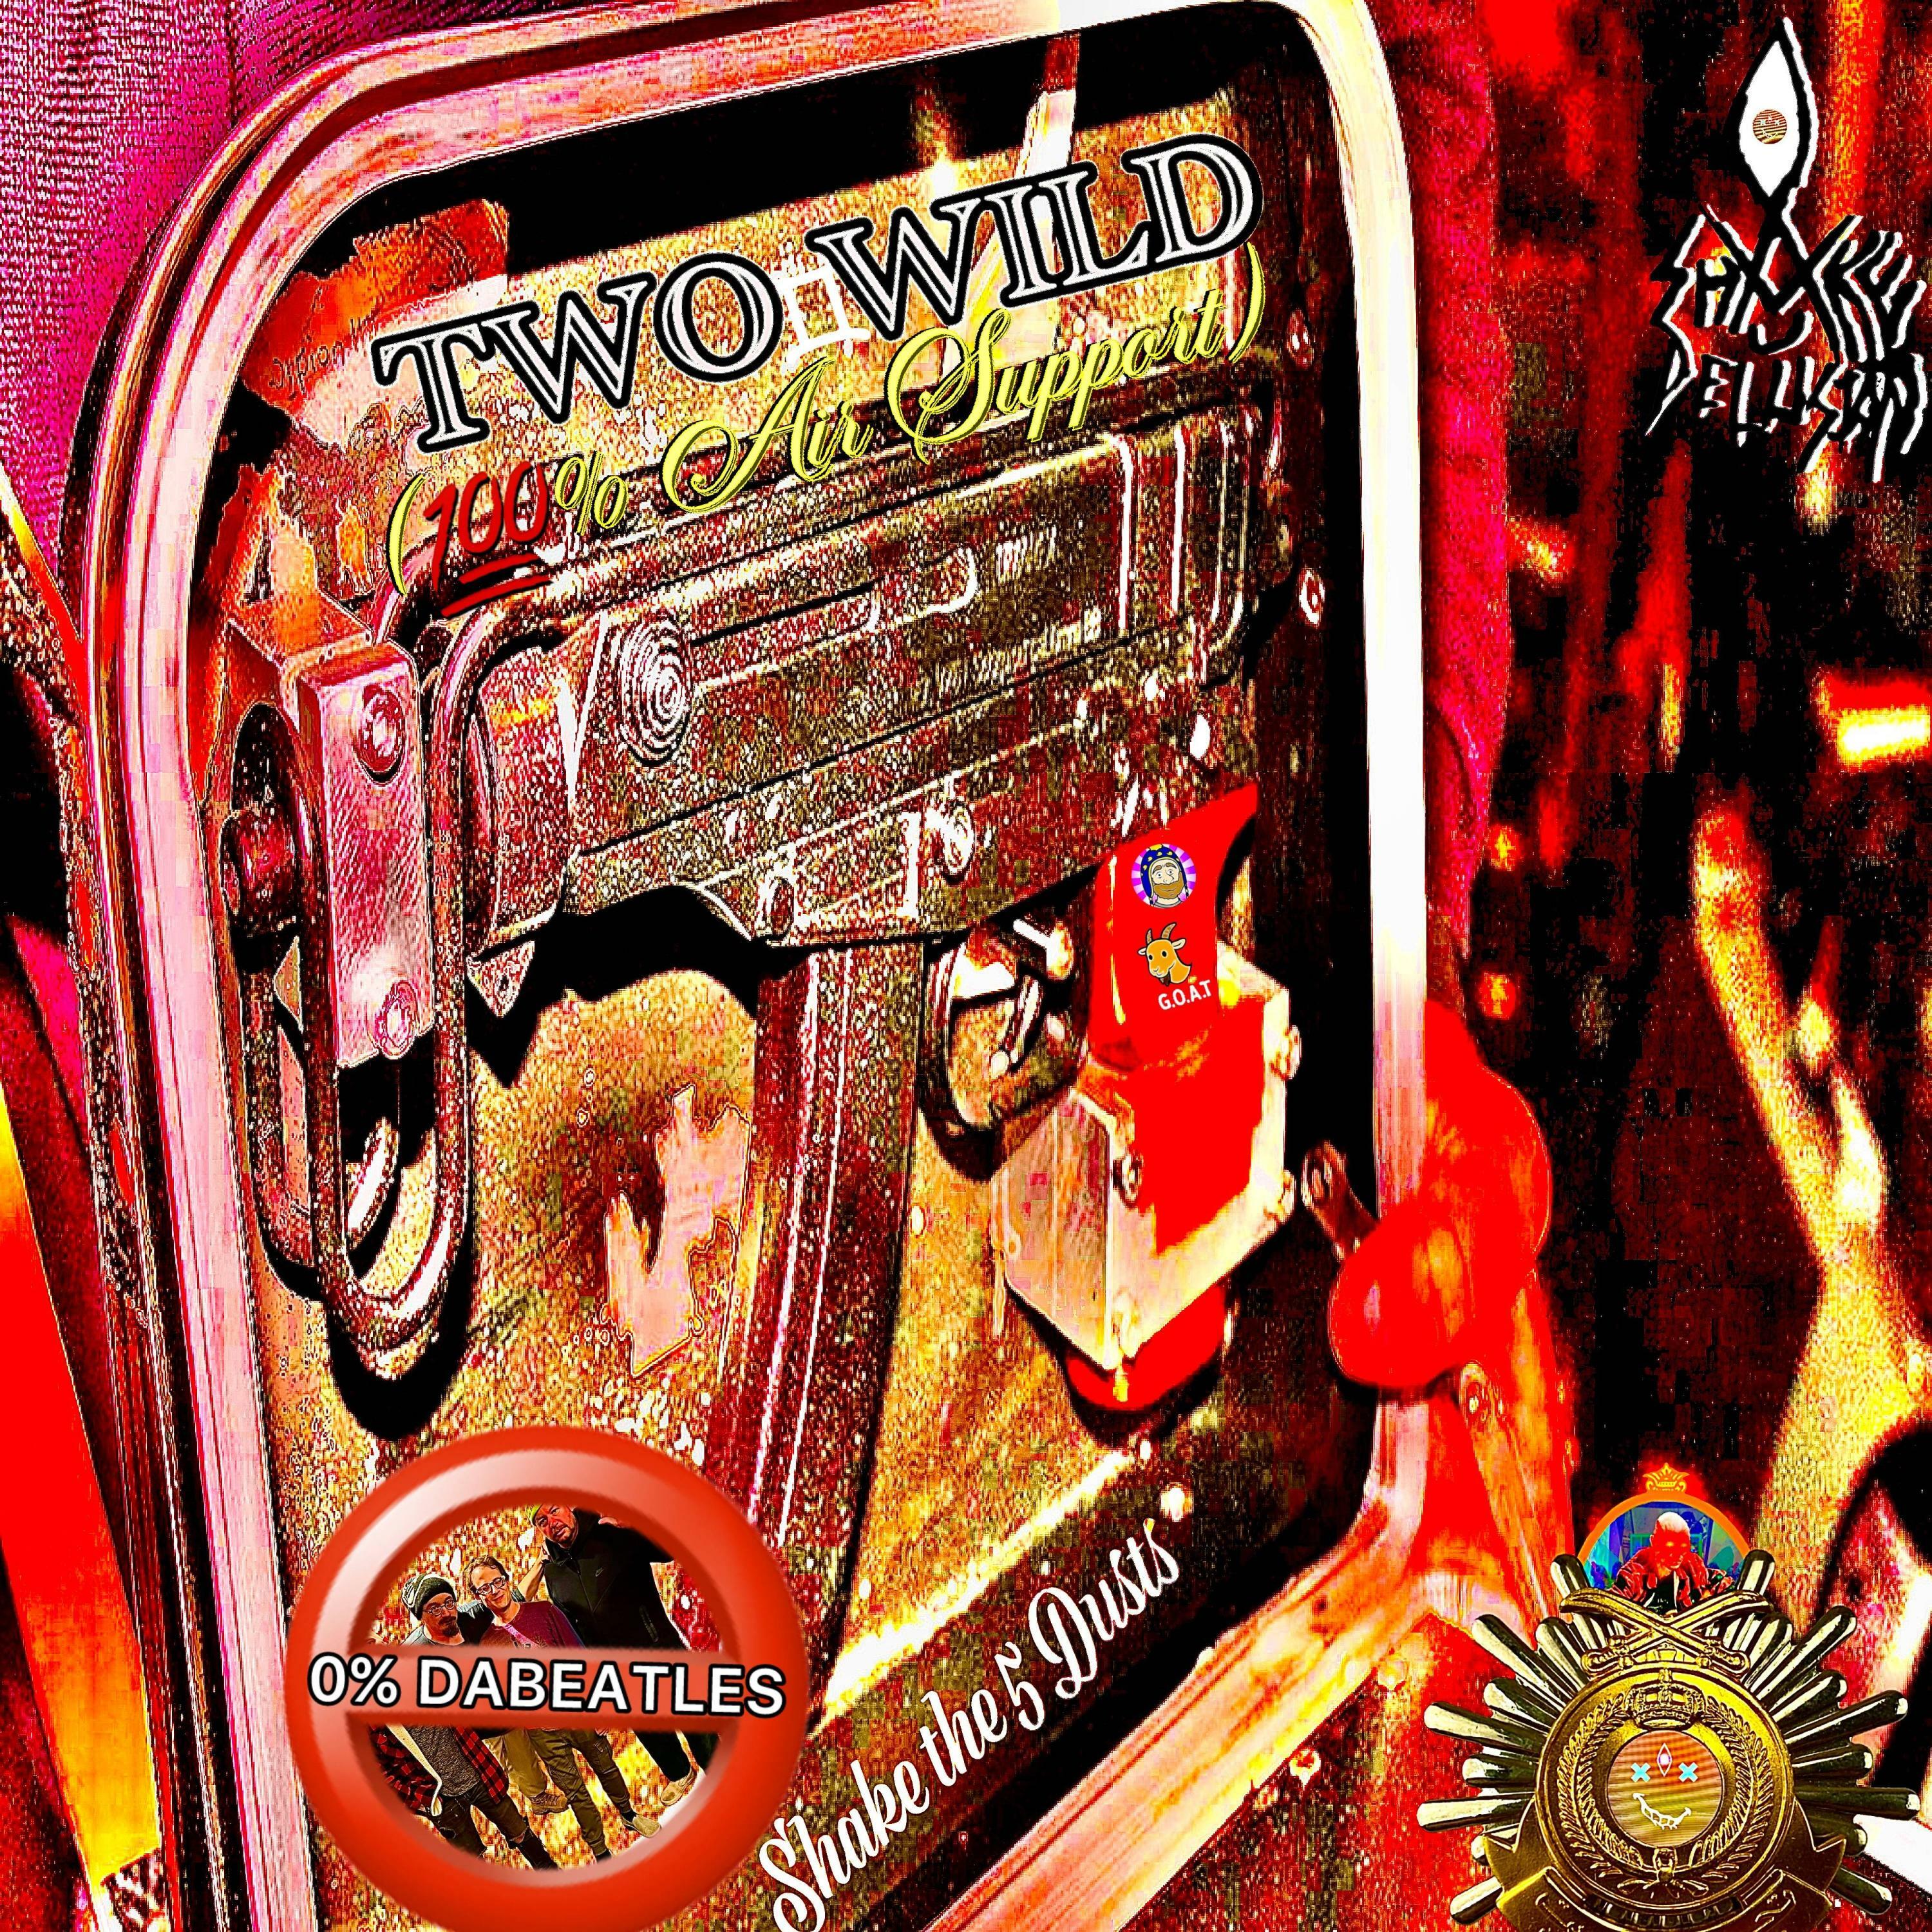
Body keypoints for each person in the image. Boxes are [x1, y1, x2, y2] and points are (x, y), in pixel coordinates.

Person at [464, 1554, 656, 1851]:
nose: (495, 1590)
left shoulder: (544, 1612)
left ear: (508, 1579)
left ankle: (629, 1815)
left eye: (497, 1581)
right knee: (575, 1792)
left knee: (606, 1767)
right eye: (484, 1588)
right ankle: (600, 1850)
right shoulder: (488, 1643)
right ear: (477, 1596)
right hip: (542, 1733)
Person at [526, 1505, 714, 1790]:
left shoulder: (609, 1531)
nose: (552, 1523)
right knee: (649, 1728)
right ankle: (680, 1773)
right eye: (542, 1521)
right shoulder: (553, 1571)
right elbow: (574, 1629)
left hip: (656, 1644)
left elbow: (667, 1552)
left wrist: (639, 1525)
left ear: (567, 1506)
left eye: (554, 1511)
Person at [393, 1575, 557, 1866]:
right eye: (434, 1609)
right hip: (470, 1746)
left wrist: (542, 1562)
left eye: (448, 1603)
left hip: (494, 1732)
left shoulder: (469, 1615)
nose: (446, 1612)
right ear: (420, 1617)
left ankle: (546, 1852)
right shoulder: (413, 1655)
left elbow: (515, 1596)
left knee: (522, 1794)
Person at [1614, 1513, 1732, 1613]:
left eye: (1683, 1547)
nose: (1678, 1555)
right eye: (1670, 1547)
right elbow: (1612, 1606)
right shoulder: (1633, 1574)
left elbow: (1722, 1581)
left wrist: (1708, 1598)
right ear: (1654, 1542)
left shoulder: (1692, 1565)